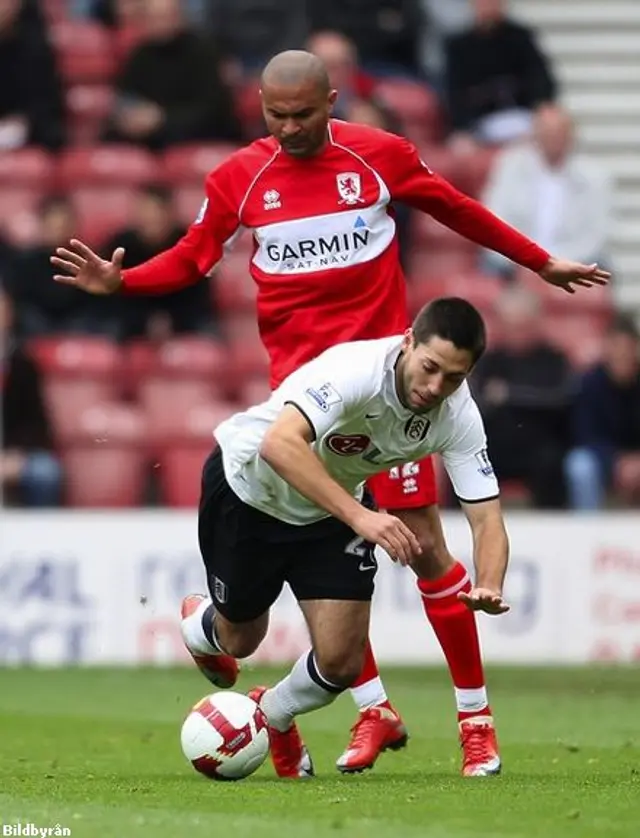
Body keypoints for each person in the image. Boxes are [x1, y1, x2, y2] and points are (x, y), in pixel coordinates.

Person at [51, 49, 609, 775]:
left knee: (427, 548)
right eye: (275, 116)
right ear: (259, 106)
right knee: (347, 547)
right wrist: (122, 282)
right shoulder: (238, 177)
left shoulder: (377, 157)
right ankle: (364, 703)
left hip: (394, 386)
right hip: (311, 405)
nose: (288, 129)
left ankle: (473, 723)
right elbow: (193, 257)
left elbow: (457, 208)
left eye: (303, 115)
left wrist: (539, 260)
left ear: (331, 101)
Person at [181, 297, 509, 778]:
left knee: (340, 662)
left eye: (454, 378)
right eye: (430, 368)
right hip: (250, 494)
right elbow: (279, 444)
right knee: (241, 639)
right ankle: (200, 625)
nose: (436, 387)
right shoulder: (354, 372)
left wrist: (491, 582)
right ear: (408, 342)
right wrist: (361, 516)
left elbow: (486, 517)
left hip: (329, 513)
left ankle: (271, 714)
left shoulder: (458, 415)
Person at [481, 104, 611, 280]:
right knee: (490, 264)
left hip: (573, 259)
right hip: (516, 260)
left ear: (571, 136)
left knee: (602, 266)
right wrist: (529, 259)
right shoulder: (510, 165)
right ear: (535, 134)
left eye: (559, 134)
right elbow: (495, 218)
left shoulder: (595, 176)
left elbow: (596, 235)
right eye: (547, 133)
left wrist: (554, 263)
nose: (553, 140)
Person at [471, 286, 572, 508]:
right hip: (496, 446)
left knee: (553, 462)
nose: (516, 334)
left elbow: (560, 400)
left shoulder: (554, 359)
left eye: (522, 327)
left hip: (540, 445)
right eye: (510, 326)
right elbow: (474, 403)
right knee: (465, 459)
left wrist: (510, 395)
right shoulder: (489, 361)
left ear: (536, 324)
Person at [445, 0, 557, 152]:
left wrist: (541, 107)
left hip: (522, 116)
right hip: (480, 122)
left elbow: (541, 79)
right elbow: (454, 93)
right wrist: (463, 128)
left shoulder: (521, 38)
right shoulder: (459, 46)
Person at [565, 314, 640, 510]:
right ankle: (587, 530)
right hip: (604, 457)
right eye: (616, 348)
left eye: (627, 348)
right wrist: (617, 461)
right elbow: (584, 434)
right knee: (579, 465)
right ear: (606, 349)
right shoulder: (589, 383)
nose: (621, 354)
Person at [1, 285, 63, 507]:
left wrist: (16, 456)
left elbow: (36, 424)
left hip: (15, 452)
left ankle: (42, 536)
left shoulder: (22, 363)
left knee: (45, 472)